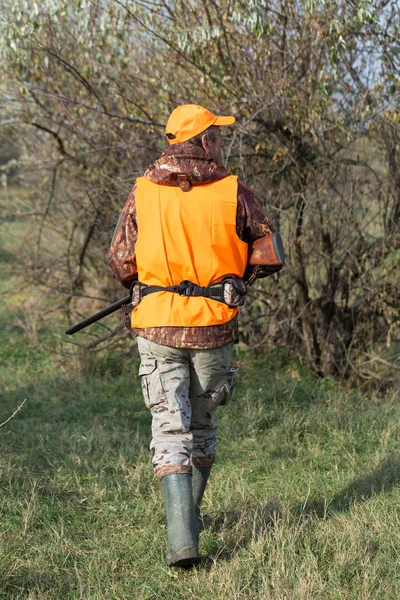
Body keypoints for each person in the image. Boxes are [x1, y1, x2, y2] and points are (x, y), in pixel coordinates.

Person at [108, 104, 284, 568]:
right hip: (213, 326)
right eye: (218, 136)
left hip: (156, 324)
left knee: (170, 426)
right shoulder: (234, 190)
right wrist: (233, 279)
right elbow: (268, 254)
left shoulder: (141, 191)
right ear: (203, 141)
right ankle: (189, 524)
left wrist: (150, 284)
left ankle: (182, 539)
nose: (221, 144)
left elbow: (120, 261)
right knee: (202, 424)